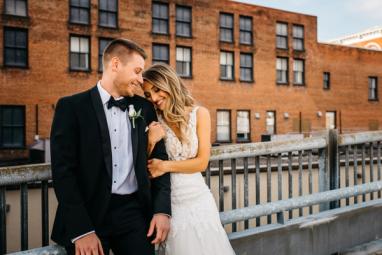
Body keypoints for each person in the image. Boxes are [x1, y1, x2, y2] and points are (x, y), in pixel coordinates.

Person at [50, 39, 171, 255]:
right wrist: (81, 230)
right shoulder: (71, 107)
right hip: (88, 215)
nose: (140, 79)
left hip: (135, 213)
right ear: (115, 64)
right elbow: (63, 172)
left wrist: (162, 211)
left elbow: (160, 162)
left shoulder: (144, 108)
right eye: (137, 71)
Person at [142, 63, 235, 255]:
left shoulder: (200, 114)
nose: (154, 98)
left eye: (157, 90)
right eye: (148, 94)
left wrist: (165, 166)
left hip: (199, 199)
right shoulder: (153, 121)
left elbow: (202, 162)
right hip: (170, 203)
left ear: (169, 84)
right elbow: (145, 165)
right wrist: (150, 141)